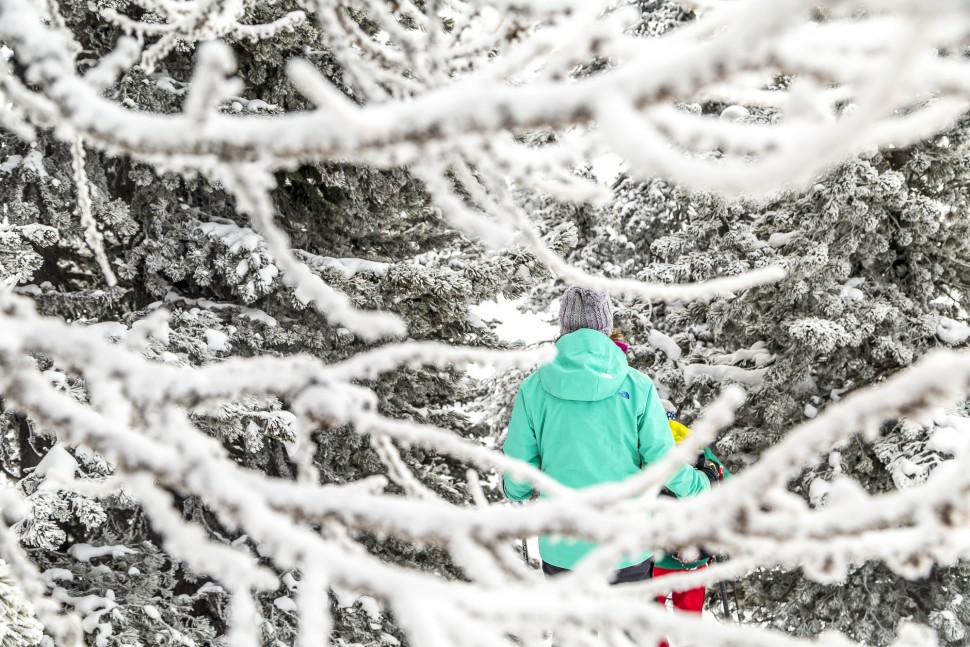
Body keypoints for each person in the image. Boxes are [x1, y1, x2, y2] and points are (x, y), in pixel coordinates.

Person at [502, 287, 717, 584]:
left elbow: (519, 472)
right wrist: (701, 486)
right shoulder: (638, 386)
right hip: (627, 547)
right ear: (606, 326)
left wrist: (516, 492)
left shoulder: (534, 389)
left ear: (563, 328)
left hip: (563, 550)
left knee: (575, 631)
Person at [653, 413, 730, 647]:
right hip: (695, 558)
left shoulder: (646, 447)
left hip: (654, 560)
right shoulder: (699, 449)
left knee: (650, 623)